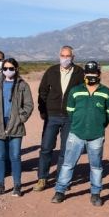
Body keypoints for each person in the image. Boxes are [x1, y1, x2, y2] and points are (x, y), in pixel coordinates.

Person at [51, 61, 109, 206]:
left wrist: (98, 125)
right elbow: (70, 112)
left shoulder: (107, 93)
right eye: (88, 73)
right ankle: (60, 191)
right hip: (76, 134)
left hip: (96, 135)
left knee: (96, 166)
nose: (91, 76)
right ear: (84, 74)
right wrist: (78, 124)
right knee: (68, 164)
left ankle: (96, 194)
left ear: (99, 74)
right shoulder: (75, 91)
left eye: (94, 73)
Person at [35, 45, 85, 192]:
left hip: (70, 117)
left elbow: (83, 94)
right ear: (59, 56)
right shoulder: (51, 71)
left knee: (65, 150)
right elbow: (42, 91)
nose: (65, 59)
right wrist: (43, 110)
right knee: (46, 148)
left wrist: (78, 113)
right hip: (52, 116)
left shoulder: (79, 72)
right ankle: (42, 178)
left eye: (68, 56)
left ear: (73, 58)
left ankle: (60, 179)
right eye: (63, 56)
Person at [0, 58, 34, 197]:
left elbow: (29, 105)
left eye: (11, 68)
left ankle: (17, 186)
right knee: (0, 156)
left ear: (16, 69)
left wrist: (20, 118)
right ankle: (0, 185)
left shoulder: (23, 85)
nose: (7, 71)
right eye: (5, 68)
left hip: (15, 124)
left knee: (15, 156)